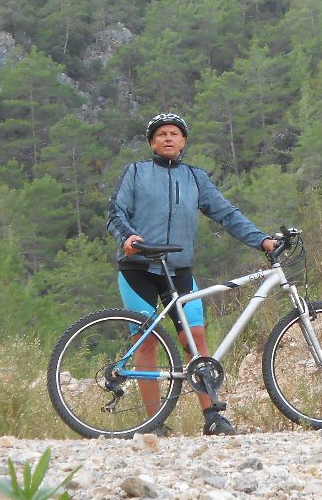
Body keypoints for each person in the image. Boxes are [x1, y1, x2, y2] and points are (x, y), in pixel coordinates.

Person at [106, 112, 277, 436]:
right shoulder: (136, 172)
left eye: (174, 133)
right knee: (146, 342)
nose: (168, 138)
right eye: (161, 134)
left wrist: (262, 240)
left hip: (179, 269)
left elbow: (227, 214)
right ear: (152, 142)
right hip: (138, 268)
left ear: (183, 141)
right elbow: (116, 211)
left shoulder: (195, 178)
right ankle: (152, 423)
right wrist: (127, 237)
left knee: (195, 339)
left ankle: (212, 415)